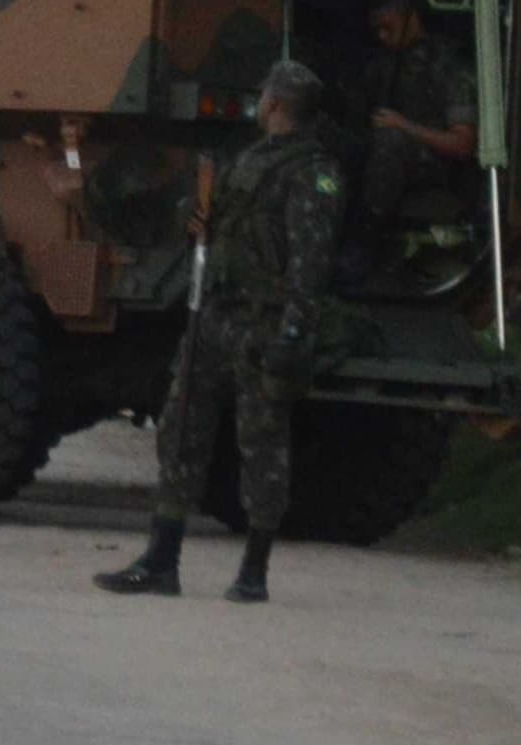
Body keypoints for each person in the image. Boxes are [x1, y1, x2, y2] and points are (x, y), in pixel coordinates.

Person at [95, 59, 342, 605]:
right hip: (215, 315)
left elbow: (310, 263)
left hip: (263, 324)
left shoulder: (313, 173)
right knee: (181, 430)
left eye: (264, 97)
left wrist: (294, 334)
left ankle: (254, 568)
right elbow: (219, 222)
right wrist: (201, 219)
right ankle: (162, 558)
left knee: (262, 443)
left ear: (276, 104)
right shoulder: (249, 160)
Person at [350, 0, 479, 248]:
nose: (383, 36)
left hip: (434, 164)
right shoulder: (381, 65)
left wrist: (403, 126)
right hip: (385, 156)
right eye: (377, 30)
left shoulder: (449, 65)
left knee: (388, 141)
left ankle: (365, 239)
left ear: (410, 17)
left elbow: (463, 145)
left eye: (388, 27)